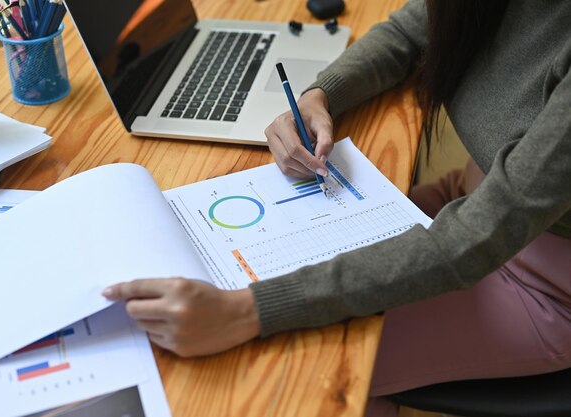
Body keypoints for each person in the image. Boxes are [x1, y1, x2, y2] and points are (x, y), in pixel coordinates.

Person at [102, 0, 571, 415]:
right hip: (467, 200)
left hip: (539, 284)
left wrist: (250, 311)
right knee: (235, 280)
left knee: (285, 373)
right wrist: (321, 95)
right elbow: (412, 31)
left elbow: (476, 239)